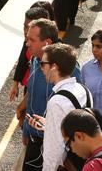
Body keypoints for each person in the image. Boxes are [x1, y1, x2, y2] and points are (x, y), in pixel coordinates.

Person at [18, 19, 81, 170]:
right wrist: (27, 129)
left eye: (31, 40)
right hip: (34, 139)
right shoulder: (35, 60)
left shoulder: (71, 70)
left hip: (55, 145)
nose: (27, 43)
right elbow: (33, 94)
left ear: (46, 43)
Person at [27, 43, 91, 171]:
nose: (41, 68)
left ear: (54, 67)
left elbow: (54, 148)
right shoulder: (83, 90)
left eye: (43, 64)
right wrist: (49, 125)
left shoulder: (57, 101)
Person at [9, 6, 51, 102]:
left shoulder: (57, 55)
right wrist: (15, 83)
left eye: (29, 28)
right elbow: (22, 60)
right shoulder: (28, 41)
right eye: (24, 27)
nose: (25, 32)